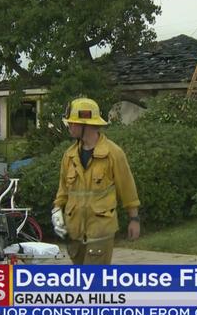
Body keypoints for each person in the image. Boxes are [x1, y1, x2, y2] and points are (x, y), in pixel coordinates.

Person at [52, 97, 140, 264]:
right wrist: (57, 211)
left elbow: (128, 190)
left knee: (93, 283)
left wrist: (134, 220)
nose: (69, 126)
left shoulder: (113, 153)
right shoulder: (69, 156)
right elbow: (63, 190)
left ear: (86, 125)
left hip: (100, 230)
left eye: (73, 122)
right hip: (74, 231)